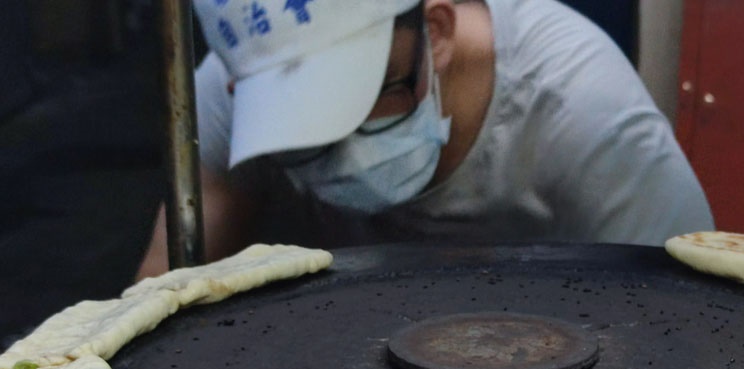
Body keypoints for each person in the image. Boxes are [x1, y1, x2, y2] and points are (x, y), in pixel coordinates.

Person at [136, 0, 714, 279]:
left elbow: (691, 325)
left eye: (355, 104)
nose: (342, 159)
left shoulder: (583, 109)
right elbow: (159, 295)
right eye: (303, 134)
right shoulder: (239, 86)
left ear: (434, 32)